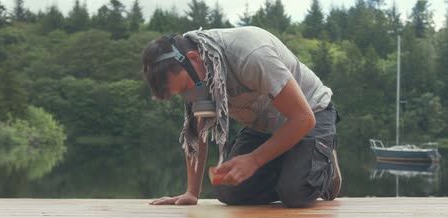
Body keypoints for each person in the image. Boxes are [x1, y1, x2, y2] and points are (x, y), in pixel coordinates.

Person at [142, 26, 341, 208]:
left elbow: (303, 118)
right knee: (229, 191)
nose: (189, 97)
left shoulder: (251, 55)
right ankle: (297, 167)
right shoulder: (198, 72)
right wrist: (192, 192)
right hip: (264, 125)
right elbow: (198, 132)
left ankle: (322, 168)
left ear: (194, 58)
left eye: (185, 88)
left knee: (295, 193)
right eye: (182, 93)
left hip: (311, 113)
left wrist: (254, 160)